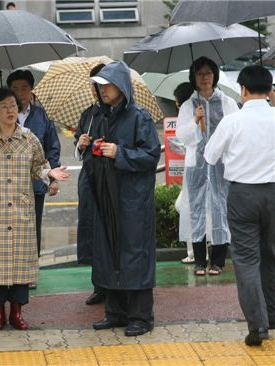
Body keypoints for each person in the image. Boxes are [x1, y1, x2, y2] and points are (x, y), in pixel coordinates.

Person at [0, 87, 69, 331]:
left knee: (21, 265)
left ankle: (17, 312)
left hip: (22, 211)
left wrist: (50, 176)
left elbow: (39, 166)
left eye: (13, 105)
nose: (10, 110)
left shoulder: (29, 138)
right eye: (4, 106)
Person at [83, 61, 160, 337]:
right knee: (109, 250)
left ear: (122, 87)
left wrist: (119, 153)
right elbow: (98, 155)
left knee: (134, 253)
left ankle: (141, 316)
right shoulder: (102, 116)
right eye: (99, 86)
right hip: (109, 195)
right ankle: (115, 312)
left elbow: (151, 155)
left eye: (107, 85)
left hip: (133, 199)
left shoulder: (139, 116)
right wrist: (90, 147)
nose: (102, 90)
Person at [204, 65, 275, 346]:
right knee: (271, 255)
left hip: (242, 196)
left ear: (243, 91)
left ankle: (258, 326)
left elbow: (210, 155)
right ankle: (272, 312)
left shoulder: (232, 121)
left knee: (247, 261)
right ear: (270, 90)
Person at [175, 57, 239, 276]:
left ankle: (218, 261)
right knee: (197, 210)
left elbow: (235, 131)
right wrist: (195, 120)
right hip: (196, 166)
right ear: (193, 77)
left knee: (221, 208)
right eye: (199, 73)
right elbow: (181, 137)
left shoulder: (227, 102)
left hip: (222, 165)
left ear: (215, 75)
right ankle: (200, 261)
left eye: (208, 73)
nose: (204, 77)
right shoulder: (187, 106)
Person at [7, 69, 62, 289]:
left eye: (24, 88)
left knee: (32, 226)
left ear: (32, 91)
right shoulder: (2, 116)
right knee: (9, 226)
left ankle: (29, 271)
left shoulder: (42, 116)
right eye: (15, 89)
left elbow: (53, 148)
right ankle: (9, 270)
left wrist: (53, 179)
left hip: (36, 183)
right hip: (8, 184)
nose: (20, 93)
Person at [75, 63, 107, 306]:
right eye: (94, 86)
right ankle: (99, 284)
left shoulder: (118, 113)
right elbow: (77, 147)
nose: (97, 91)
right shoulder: (89, 114)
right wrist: (81, 142)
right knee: (92, 229)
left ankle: (113, 284)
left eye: (102, 85)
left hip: (109, 179)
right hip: (89, 178)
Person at [172, 82, 196, 265]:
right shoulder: (192, 112)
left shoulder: (189, 113)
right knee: (184, 205)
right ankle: (196, 250)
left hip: (194, 168)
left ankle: (194, 252)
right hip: (193, 167)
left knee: (185, 206)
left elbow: (185, 138)